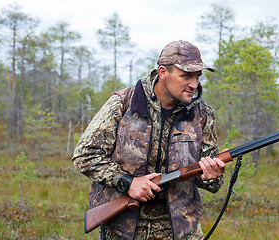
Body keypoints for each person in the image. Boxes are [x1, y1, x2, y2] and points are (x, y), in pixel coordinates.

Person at [72, 40, 226, 240]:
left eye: (197, 77)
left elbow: (212, 183)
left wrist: (210, 176)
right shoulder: (123, 103)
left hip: (181, 229)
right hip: (123, 228)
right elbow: (85, 155)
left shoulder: (202, 115)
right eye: (186, 75)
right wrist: (127, 183)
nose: (194, 84)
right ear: (163, 72)